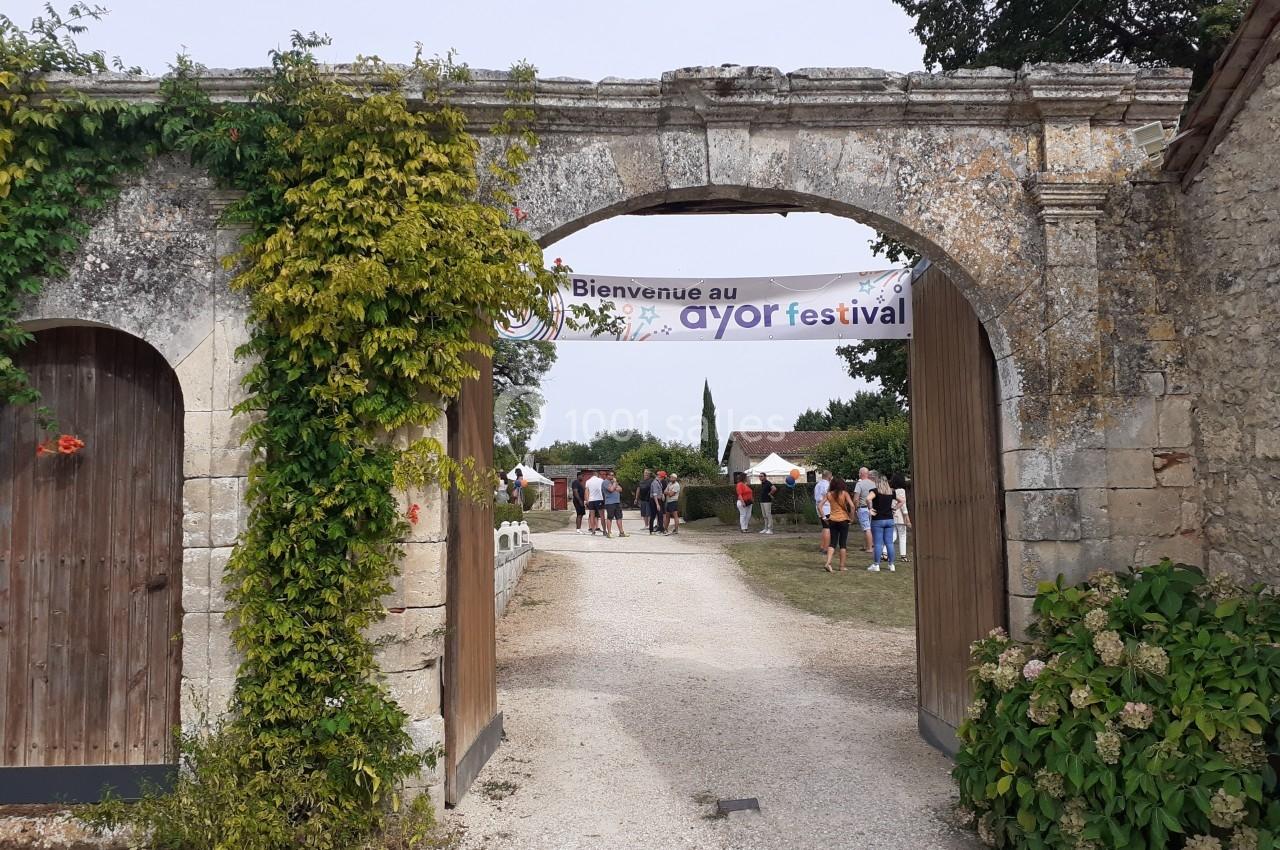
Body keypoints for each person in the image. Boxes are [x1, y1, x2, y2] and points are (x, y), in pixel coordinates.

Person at [823, 476, 857, 572]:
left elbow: (820, 505)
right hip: (843, 520)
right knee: (842, 544)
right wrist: (852, 518)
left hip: (832, 519)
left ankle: (828, 562)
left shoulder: (829, 494)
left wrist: (824, 517)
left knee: (832, 542)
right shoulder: (845, 494)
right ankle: (842, 566)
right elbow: (852, 506)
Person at [867, 474, 897, 572]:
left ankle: (876, 565)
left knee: (878, 543)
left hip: (878, 520)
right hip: (889, 519)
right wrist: (895, 508)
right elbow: (902, 501)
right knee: (889, 543)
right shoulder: (891, 492)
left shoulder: (875, 491)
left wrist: (870, 509)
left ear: (878, 482)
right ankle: (891, 564)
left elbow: (868, 499)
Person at [853, 467, 877, 553]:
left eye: (859, 473)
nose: (858, 474)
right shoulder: (874, 484)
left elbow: (856, 498)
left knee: (866, 528)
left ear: (862, 474)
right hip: (873, 508)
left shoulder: (859, 484)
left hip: (863, 508)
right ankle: (869, 545)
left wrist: (855, 508)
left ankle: (869, 548)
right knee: (871, 527)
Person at [891, 473, 911, 560]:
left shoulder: (892, 490)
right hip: (900, 516)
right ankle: (903, 555)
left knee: (893, 535)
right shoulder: (901, 491)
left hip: (892, 515)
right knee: (902, 535)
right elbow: (903, 505)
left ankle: (884, 552)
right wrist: (907, 519)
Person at [603, 471, 627, 537]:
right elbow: (611, 489)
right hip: (610, 502)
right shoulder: (605, 482)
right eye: (610, 475)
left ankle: (621, 532)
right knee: (610, 517)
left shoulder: (613, 482)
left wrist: (614, 487)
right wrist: (615, 484)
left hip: (617, 502)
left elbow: (620, 489)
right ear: (607, 475)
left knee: (619, 517)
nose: (612, 476)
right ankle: (609, 533)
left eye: (613, 475)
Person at [813, 469, 832, 552]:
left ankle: (823, 545)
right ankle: (826, 547)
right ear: (828, 476)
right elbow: (828, 495)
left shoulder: (818, 484)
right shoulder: (827, 485)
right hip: (826, 507)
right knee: (828, 528)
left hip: (819, 507)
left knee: (824, 527)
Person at [585, 468, 607, 536]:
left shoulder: (588, 481)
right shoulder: (601, 480)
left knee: (592, 516)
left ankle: (593, 531)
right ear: (597, 474)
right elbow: (603, 490)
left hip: (591, 500)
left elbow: (586, 491)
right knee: (602, 515)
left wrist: (587, 500)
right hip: (599, 499)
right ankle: (604, 531)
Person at [571, 469, 588, 534]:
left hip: (580, 500)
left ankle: (579, 528)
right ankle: (578, 529)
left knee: (581, 514)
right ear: (578, 476)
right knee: (579, 514)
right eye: (582, 476)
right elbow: (575, 492)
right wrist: (580, 500)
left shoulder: (579, 483)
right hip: (577, 500)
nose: (583, 477)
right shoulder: (575, 482)